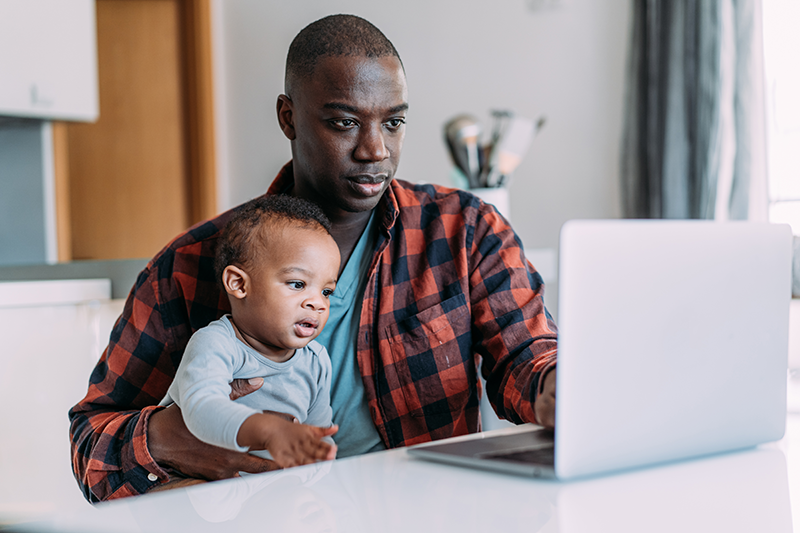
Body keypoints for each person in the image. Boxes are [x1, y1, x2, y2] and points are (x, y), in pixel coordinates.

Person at [69, 14, 558, 503]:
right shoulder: (188, 267)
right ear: (288, 117)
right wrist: (172, 437)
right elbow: (90, 444)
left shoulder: (464, 232)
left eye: (393, 122)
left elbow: (529, 356)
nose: (375, 150)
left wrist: (557, 389)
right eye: (345, 122)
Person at [160, 194, 340, 468]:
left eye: (326, 291)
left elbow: (318, 435)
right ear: (239, 284)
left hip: (277, 494)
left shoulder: (316, 361)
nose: (317, 302)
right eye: (297, 284)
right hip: (203, 491)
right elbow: (201, 409)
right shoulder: (216, 343)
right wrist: (268, 431)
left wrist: (319, 468)